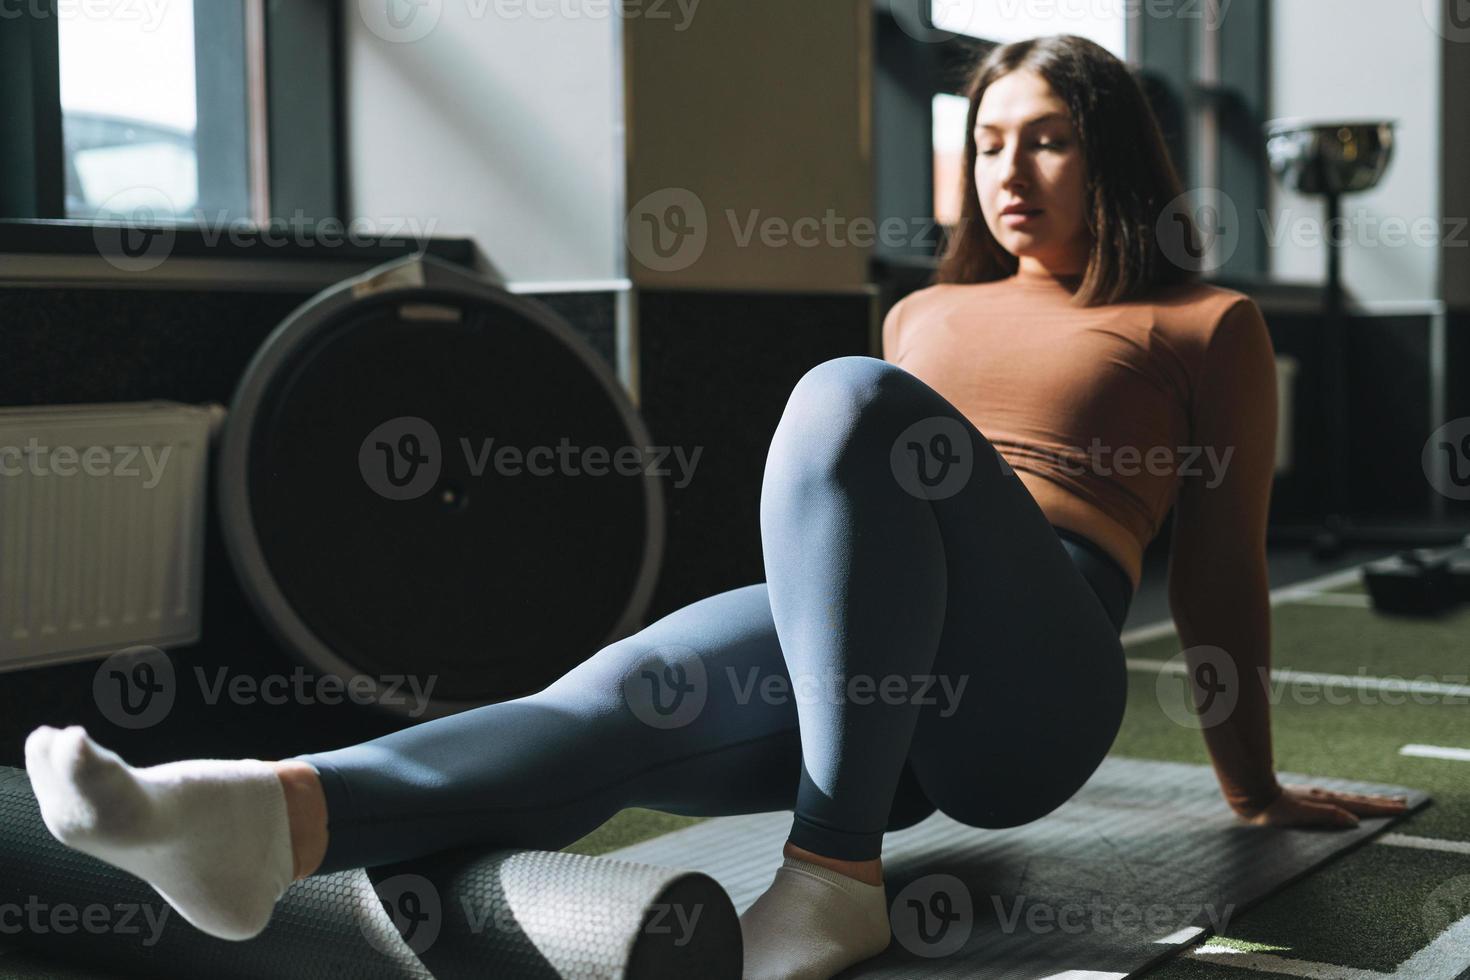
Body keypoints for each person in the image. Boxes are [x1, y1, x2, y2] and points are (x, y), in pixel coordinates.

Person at [23, 33, 1408, 980]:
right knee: (605, 713)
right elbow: (856, 522)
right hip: (869, 658)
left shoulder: (1199, 320)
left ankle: (831, 874)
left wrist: (1252, 788)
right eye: (985, 140)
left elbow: (1221, 569)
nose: (1007, 171)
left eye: (1045, 141)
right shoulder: (927, 308)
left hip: (1030, 687)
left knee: (846, 399)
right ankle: (255, 822)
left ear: (1111, 154)